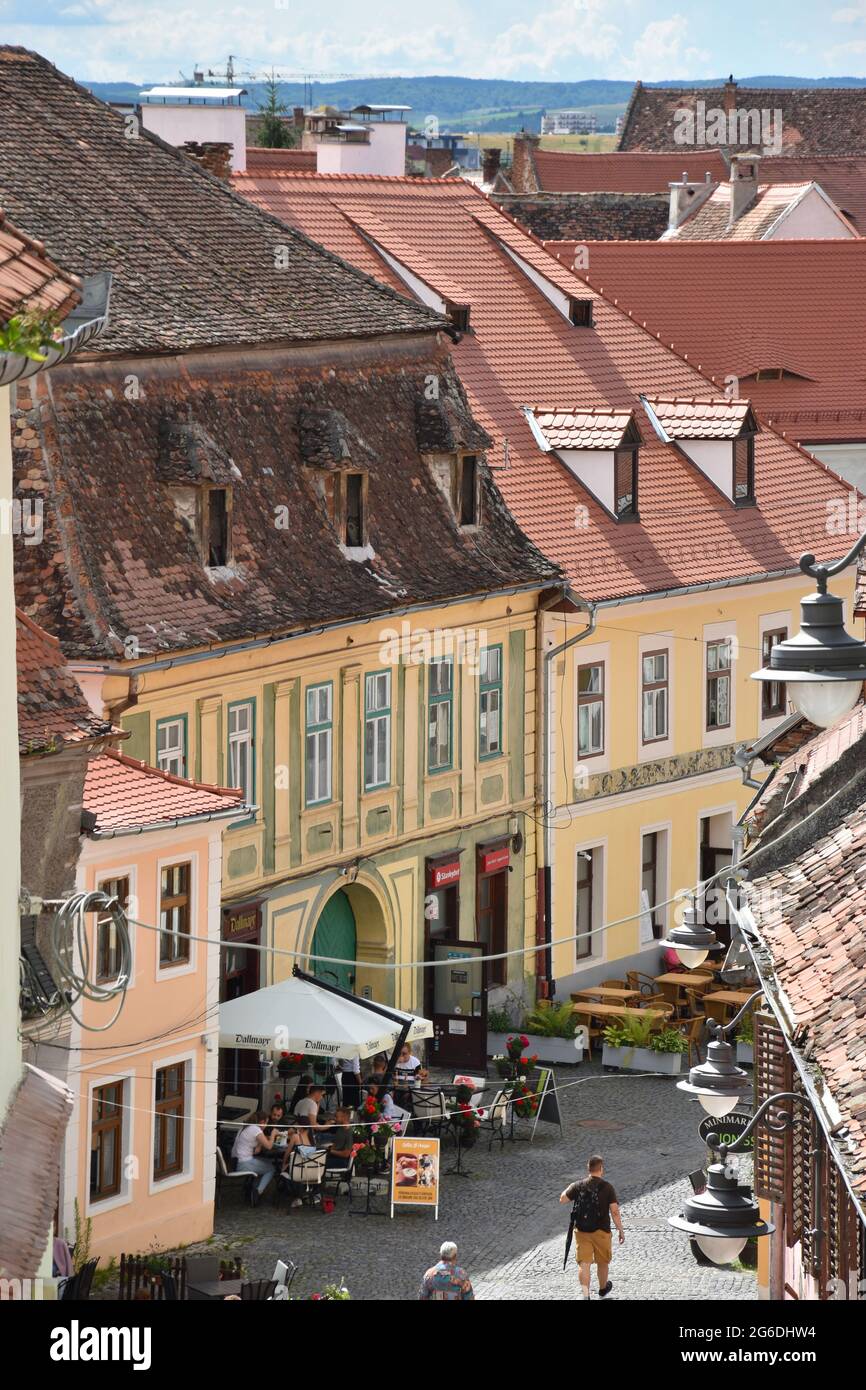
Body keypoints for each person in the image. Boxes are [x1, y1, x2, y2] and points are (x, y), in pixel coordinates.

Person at [559, 1155, 625, 1300]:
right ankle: (602, 1290)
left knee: (584, 1263)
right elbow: (614, 1211)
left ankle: (585, 1295)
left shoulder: (578, 1186)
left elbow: (562, 1199)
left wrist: (571, 1188)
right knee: (602, 1262)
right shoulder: (607, 1187)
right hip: (602, 1231)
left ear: (588, 1169)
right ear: (601, 1169)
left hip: (582, 1231)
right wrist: (620, 1230)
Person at [231, 1110, 278, 1204]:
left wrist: (260, 1142)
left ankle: (253, 1188)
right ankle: (258, 1192)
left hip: (236, 1161)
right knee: (272, 1168)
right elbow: (269, 1146)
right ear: (262, 1122)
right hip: (244, 1163)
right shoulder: (255, 1129)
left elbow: (257, 1151)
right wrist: (273, 1134)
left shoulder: (246, 1127)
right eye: (266, 1123)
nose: (266, 1125)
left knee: (267, 1163)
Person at [394, 1042, 427, 1109]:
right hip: (397, 1088)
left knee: (405, 1097)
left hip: (410, 1089)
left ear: (409, 1053)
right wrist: (396, 1062)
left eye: (404, 1054)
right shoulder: (395, 1061)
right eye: (400, 1053)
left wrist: (419, 1077)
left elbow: (418, 1077)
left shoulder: (415, 1062)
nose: (402, 1056)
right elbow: (390, 1075)